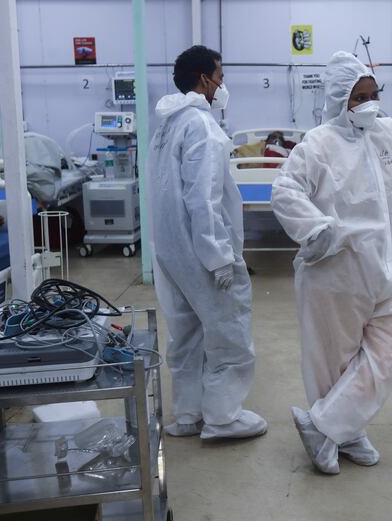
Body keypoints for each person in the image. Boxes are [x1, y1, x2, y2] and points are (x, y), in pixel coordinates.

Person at [271, 51, 392, 475]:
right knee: (336, 359)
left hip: (385, 271)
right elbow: (285, 190)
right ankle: (346, 431)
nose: (368, 104)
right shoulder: (319, 144)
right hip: (336, 270)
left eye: (373, 94)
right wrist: (317, 230)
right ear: (339, 100)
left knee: (390, 348)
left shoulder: (388, 133)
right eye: (358, 97)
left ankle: (327, 427)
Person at [146, 45, 266, 441]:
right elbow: (203, 197)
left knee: (186, 332)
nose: (222, 83)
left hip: (170, 251)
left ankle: (188, 414)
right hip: (203, 251)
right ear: (204, 79)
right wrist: (219, 257)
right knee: (229, 331)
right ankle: (222, 417)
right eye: (220, 75)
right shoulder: (201, 126)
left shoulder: (165, 125)